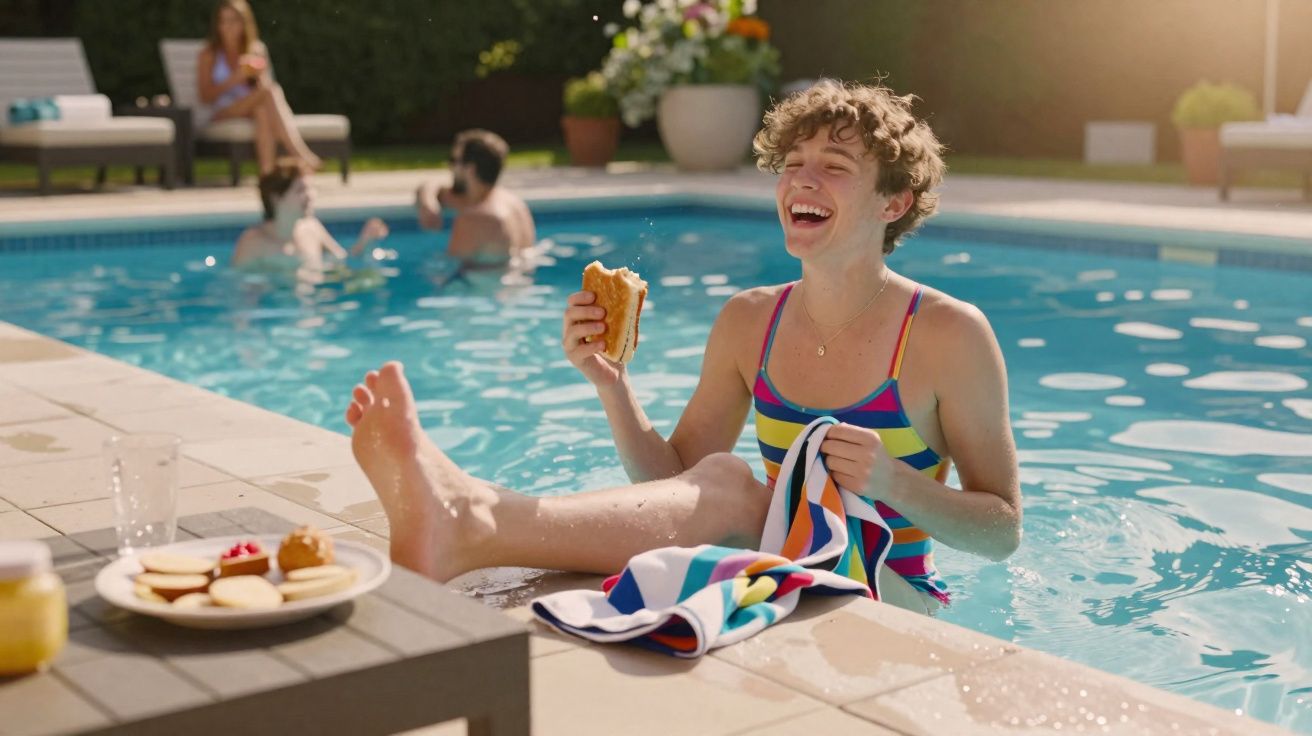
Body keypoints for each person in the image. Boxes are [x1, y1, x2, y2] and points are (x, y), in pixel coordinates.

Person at [345, 81, 1021, 615]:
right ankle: (471, 521)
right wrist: (612, 386)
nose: (802, 181)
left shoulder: (947, 335)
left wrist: (896, 484)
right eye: (791, 165)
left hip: (890, 593)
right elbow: (673, 487)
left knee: (732, 486)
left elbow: (1002, 532)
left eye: (834, 167)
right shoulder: (748, 321)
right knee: (722, 481)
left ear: (894, 202)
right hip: (780, 566)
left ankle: (477, 519)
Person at [197, 0, 322, 173]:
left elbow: (262, 88)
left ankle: (267, 175)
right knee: (271, 91)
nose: (228, 26)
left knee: (262, 110)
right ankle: (300, 154)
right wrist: (234, 79)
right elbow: (205, 96)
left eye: (233, 20)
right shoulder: (209, 53)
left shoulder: (255, 49)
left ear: (244, 23)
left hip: (252, 107)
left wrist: (256, 75)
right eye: (223, 21)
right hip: (223, 111)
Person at [232, 158, 387, 280]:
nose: (311, 195)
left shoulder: (312, 228)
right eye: (301, 190)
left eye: (311, 188)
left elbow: (342, 261)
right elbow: (242, 289)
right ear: (276, 198)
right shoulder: (253, 242)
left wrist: (365, 241)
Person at [414, 129, 537, 273]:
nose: (450, 167)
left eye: (453, 160)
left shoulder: (476, 218)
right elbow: (432, 186)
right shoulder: (515, 204)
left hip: (486, 292)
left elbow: (448, 271)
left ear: (470, 169)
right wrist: (428, 202)